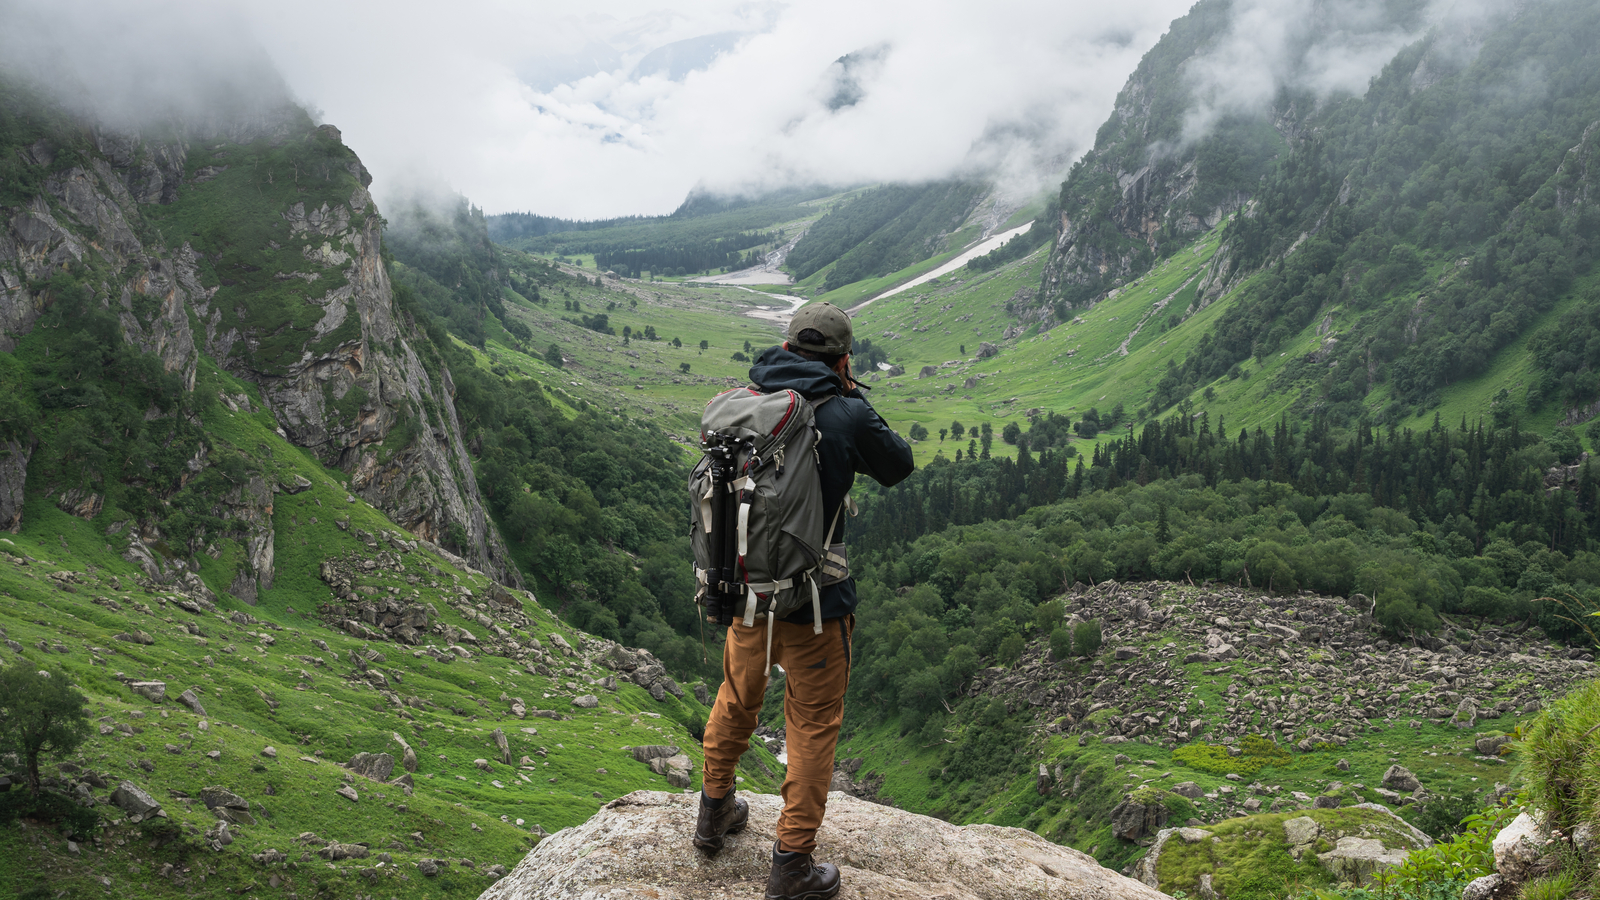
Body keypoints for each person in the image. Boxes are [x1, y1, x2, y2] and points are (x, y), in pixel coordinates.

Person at [694, 302, 915, 900]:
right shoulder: (845, 412)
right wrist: (851, 396)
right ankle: (791, 864)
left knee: (736, 698)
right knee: (812, 728)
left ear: (787, 348)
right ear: (843, 358)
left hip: (748, 593)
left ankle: (713, 814)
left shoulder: (749, 401)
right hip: (818, 603)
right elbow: (898, 465)